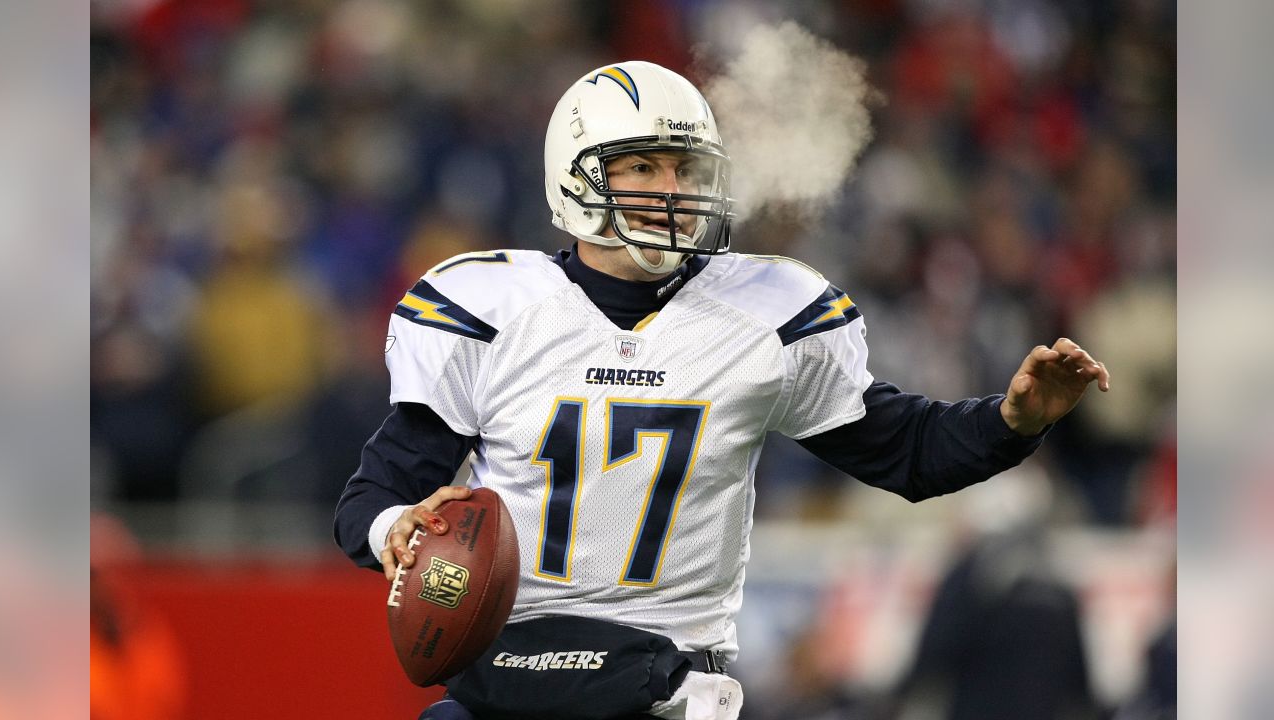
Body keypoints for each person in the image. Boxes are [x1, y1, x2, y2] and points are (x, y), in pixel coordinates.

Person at [333, 61, 1110, 720]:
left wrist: (1013, 421)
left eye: (686, 168)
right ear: (578, 176)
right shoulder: (494, 309)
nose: (671, 189)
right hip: (508, 680)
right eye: (642, 166)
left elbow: (908, 454)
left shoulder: (760, 315)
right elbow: (372, 496)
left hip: (669, 689)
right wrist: (398, 529)